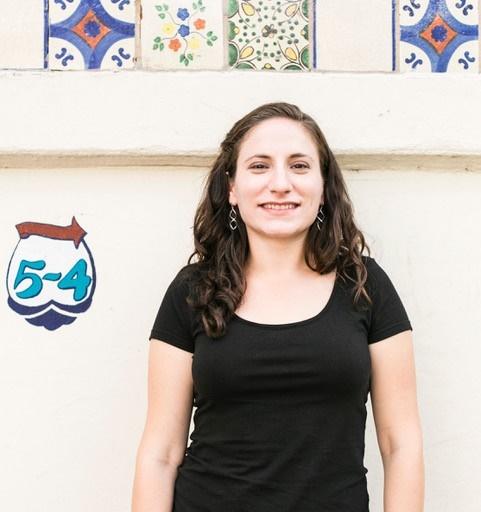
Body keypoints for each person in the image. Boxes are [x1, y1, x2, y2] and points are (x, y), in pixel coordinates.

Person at [131, 102, 425, 512]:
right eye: (259, 166)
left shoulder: (365, 285)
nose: (281, 183)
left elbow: (401, 444)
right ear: (232, 188)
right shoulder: (191, 291)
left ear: (324, 186)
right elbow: (160, 453)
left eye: (300, 166)